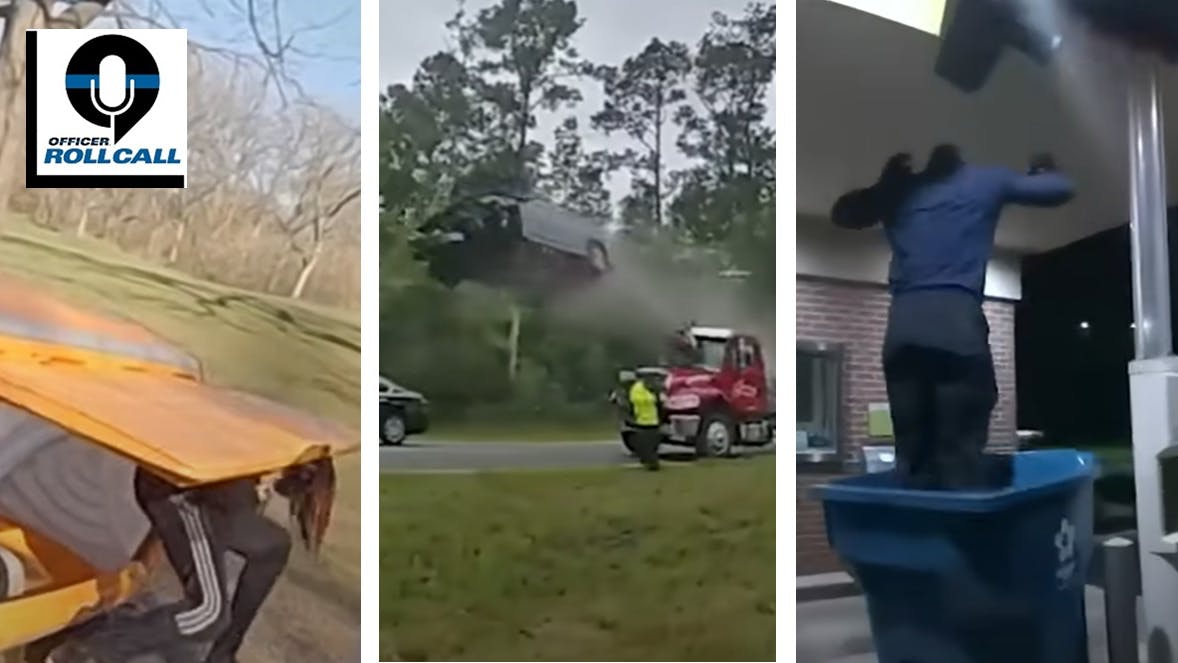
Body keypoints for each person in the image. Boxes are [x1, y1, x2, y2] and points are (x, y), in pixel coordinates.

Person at [832, 145, 1074, 489]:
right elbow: (1060, 189)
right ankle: (958, 535)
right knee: (959, 452)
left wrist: (882, 189)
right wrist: (1044, 168)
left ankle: (910, 534)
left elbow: (842, 214)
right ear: (961, 161)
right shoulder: (985, 181)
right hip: (956, 328)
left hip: (903, 332)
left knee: (913, 457)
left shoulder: (902, 190)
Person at [50, 459, 335, 663]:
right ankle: (84, 652)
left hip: (205, 499)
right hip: (189, 499)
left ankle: (222, 655)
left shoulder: (262, 470)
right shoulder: (239, 485)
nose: (282, 500)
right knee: (209, 615)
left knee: (273, 546)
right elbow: (201, 519)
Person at [623, 372, 663, 472]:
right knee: (648, 444)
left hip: (647, 420)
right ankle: (651, 463)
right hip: (645, 421)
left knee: (649, 444)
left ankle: (650, 461)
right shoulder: (640, 389)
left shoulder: (638, 388)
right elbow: (646, 401)